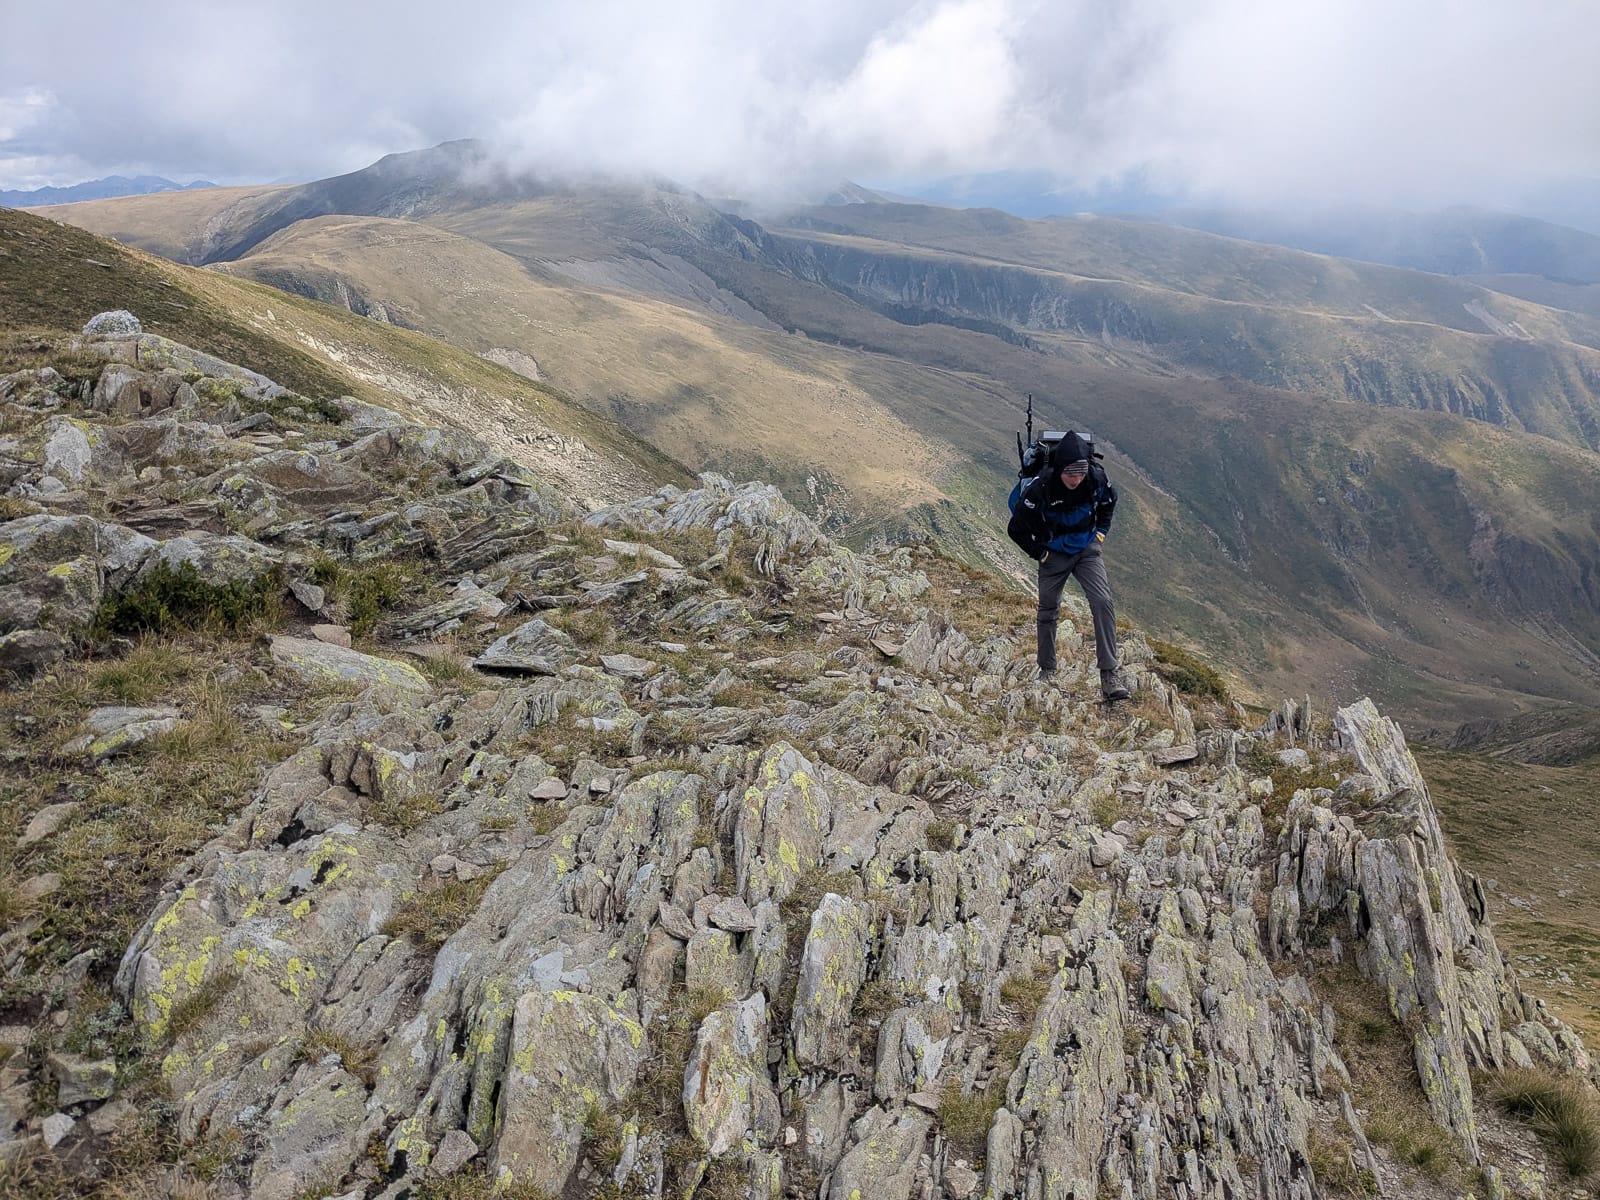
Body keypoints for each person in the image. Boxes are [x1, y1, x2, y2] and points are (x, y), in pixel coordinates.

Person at [1006, 431, 1130, 700]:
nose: (1076, 479)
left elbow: (1109, 502)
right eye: (1070, 474)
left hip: (1086, 549)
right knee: (1048, 610)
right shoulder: (1040, 488)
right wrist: (1041, 554)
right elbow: (1015, 528)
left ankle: (1109, 676)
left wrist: (1100, 534)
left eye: (1080, 473)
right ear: (1060, 469)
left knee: (1103, 602)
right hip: (1053, 554)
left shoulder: (1095, 478)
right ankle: (1047, 669)